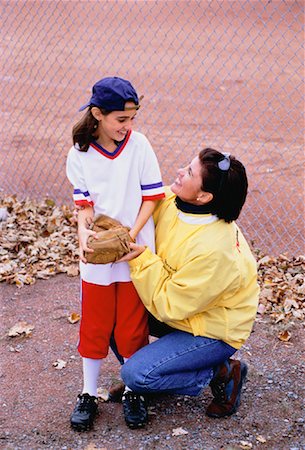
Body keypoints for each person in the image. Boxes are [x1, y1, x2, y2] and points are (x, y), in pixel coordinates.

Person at [118, 147, 260, 428]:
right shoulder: (175, 199)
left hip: (213, 330)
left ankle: (222, 372)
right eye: (187, 165)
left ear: (204, 196)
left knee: (137, 375)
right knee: (114, 314)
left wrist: (141, 258)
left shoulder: (215, 249)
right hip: (185, 311)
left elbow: (170, 306)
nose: (180, 172)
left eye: (190, 172)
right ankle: (155, 376)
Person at [66, 76, 165, 431]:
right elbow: (84, 207)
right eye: (121, 119)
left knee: (131, 325)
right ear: (98, 114)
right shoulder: (79, 152)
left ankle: (133, 391)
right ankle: (88, 392)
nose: (128, 126)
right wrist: (83, 237)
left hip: (134, 249)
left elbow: (152, 197)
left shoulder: (139, 146)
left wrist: (130, 238)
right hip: (98, 255)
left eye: (132, 118)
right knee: (95, 322)